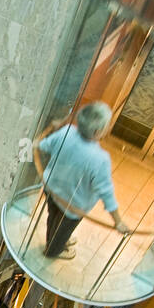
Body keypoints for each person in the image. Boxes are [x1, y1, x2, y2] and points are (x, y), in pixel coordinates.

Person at [36, 101, 129, 260]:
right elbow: (106, 193)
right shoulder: (100, 159)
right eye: (108, 125)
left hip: (52, 190)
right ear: (98, 131)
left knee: (53, 216)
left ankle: (56, 238)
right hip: (73, 206)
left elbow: (43, 146)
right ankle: (53, 250)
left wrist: (56, 132)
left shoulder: (66, 131)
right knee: (63, 228)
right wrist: (118, 221)